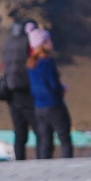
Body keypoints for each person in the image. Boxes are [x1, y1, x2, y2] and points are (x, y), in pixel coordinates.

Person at [25, 29, 74, 159]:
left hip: (39, 106)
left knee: (45, 140)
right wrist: (62, 89)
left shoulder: (31, 63)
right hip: (54, 104)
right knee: (65, 138)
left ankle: (43, 167)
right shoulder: (47, 62)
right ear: (43, 44)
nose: (51, 42)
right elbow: (53, 85)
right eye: (48, 40)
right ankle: (67, 166)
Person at [0, 21, 40, 160]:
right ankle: (43, 159)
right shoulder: (28, 42)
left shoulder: (7, 42)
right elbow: (34, 63)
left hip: (10, 90)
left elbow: (4, 65)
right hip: (25, 88)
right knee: (39, 128)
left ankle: (19, 160)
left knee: (19, 130)